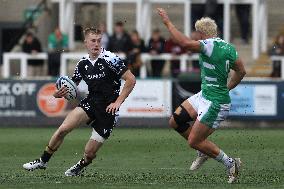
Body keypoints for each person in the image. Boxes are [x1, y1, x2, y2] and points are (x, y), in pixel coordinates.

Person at [23, 27, 136, 176]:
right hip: (91, 102)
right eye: (93, 41)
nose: (96, 44)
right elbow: (71, 86)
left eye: (99, 41)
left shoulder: (111, 59)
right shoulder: (82, 63)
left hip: (108, 110)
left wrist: (118, 102)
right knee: (63, 129)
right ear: (86, 43)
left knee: (89, 153)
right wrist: (59, 93)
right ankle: (42, 161)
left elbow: (131, 79)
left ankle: (81, 165)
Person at [157, 8, 246, 183]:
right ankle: (202, 151)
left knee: (194, 140)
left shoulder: (209, 45)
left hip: (216, 102)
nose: (195, 37)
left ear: (202, 33)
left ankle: (231, 163)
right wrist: (228, 87)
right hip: (205, 95)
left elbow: (184, 43)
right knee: (175, 120)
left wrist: (167, 22)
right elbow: (241, 71)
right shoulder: (228, 47)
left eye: (197, 34)